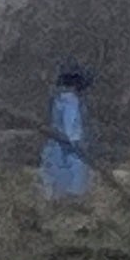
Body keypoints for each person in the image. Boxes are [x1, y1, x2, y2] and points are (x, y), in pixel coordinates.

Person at [38, 68, 90, 197]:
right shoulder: (71, 101)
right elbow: (70, 130)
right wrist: (79, 146)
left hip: (54, 148)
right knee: (72, 188)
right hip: (68, 153)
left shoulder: (57, 100)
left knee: (52, 186)